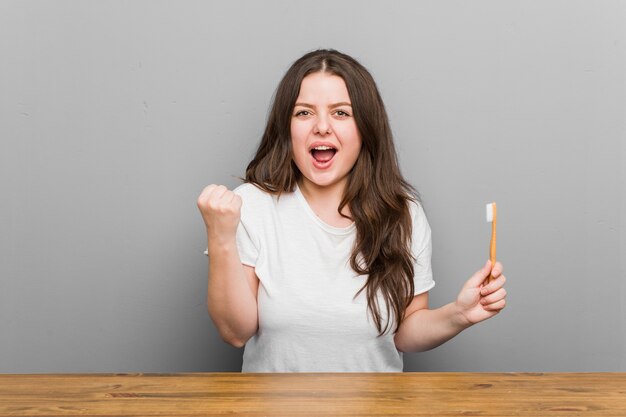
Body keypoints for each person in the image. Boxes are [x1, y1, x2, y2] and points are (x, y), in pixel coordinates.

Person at [197, 49, 507, 372]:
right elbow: (234, 331)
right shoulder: (252, 206)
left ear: (365, 128)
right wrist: (221, 237)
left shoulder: (403, 213)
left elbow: (405, 331)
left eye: (341, 113)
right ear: (286, 128)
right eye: (303, 113)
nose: (321, 127)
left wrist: (459, 314)